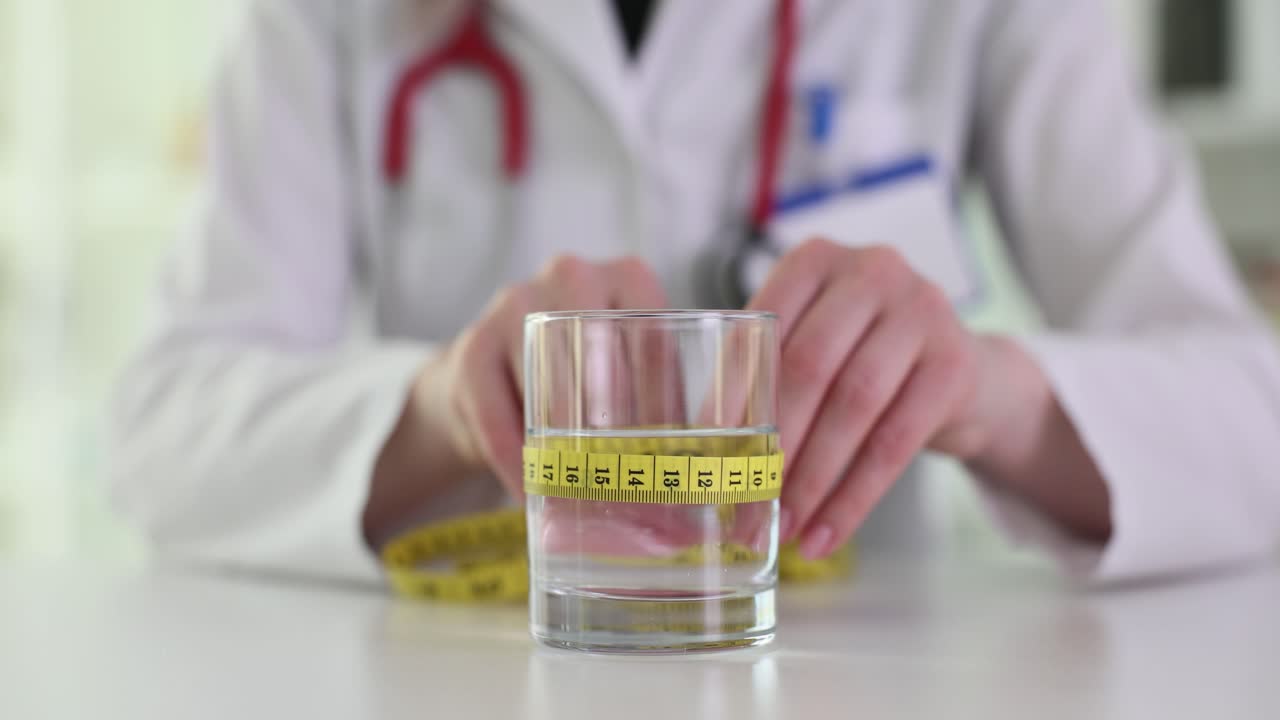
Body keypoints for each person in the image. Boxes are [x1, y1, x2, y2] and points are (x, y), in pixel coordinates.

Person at [110, 0, 1280, 584]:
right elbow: (162, 431)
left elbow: (1252, 415)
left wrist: (986, 392)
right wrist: (433, 411)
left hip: (841, 678)